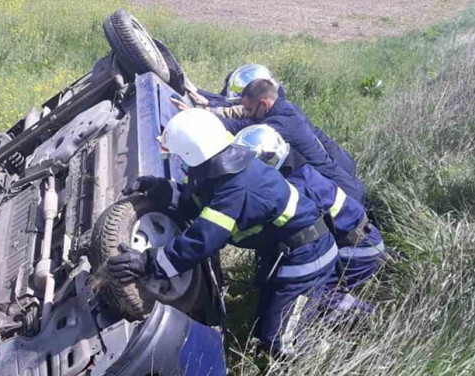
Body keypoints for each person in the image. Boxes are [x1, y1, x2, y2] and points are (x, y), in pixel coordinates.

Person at [106, 108, 338, 358]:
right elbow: (194, 201)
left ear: (193, 155)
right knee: (265, 318)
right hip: (285, 250)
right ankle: (327, 302)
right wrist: (160, 189)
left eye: (179, 157)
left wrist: (148, 262)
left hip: (308, 256)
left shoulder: (236, 190)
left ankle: (327, 353)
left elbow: (202, 239)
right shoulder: (222, 168)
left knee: (278, 342)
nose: (180, 164)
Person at [232, 125, 386, 289]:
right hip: (361, 241)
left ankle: (351, 308)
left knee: (302, 292)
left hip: (358, 251)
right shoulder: (299, 171)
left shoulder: (297, 189)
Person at [181, 64, 361, 190]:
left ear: (264, 105)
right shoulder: (284, 109)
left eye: (251, 109)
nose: (248, 113)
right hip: (344, 176)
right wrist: (205, 98)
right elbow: (241, 113)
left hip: (342, 190)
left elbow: (241, 126)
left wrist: (199, 116)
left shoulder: (281, 125)